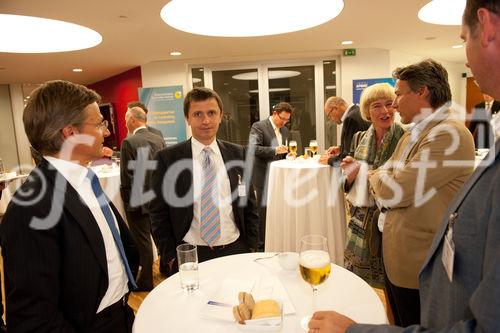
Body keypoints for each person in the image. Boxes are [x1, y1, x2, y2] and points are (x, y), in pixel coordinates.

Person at [308, 4, 500, 327]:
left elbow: (395, 188)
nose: (394, 106)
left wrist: (373, 174)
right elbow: (386, 175)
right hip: (398, 265)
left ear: (422, 92)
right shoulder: (414, 135)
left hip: (418, 266)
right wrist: (379, 175)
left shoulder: (449, 135)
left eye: (398, 95)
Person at [0, 80, 139, 332]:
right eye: (99, 124)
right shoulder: (31, 207)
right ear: (71, 133)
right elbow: (35, 318)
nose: (106, 132)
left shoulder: (86, 179)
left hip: (120, 314)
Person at [149, 87, 259, 276]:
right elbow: (158, 212)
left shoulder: (239, 154)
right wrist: (169, 254)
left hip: (235, 249)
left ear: (220, 115)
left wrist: (251, 245)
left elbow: (250, 205)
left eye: (211, 113)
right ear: (187, 118)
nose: (206, 120)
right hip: (190, 253)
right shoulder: (167, 159)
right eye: (198, 114)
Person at [340, 83, 405, 289]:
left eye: (389, 104)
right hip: (360, 222)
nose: (385, 111)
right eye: (377, 106)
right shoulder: (359, 138)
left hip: (391, 221)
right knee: (358, 284)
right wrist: (350, 174)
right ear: (368, 111)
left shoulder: (405, 138)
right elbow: (348, 183)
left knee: (392, 284)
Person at [120, 106, 166, 291]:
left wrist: (128, 201)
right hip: (158, 197)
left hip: (138, 200)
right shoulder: (158, 138)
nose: (125, 123)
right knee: (159, 236)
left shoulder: (129, 142)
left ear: (132, 119)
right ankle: (166, 268)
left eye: (125, 119)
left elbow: (127, 177)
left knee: (143, 241)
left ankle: (146, 280)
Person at [248, 102, 291, 249]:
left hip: (280, 177)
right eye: (282, 119)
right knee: (264, 210)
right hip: (263, 175)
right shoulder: (258, 126)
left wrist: (288, 154)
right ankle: (262, 244)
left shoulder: (285, 130)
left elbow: (284, 151)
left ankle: (277, 238)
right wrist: (275, 150)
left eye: (287, 120)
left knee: (279, 208)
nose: (284, 123)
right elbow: (253, 148)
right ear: (275, 114)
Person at [319, 97, 370, 165]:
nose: (331, 119)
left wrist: (329, 160)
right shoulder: (357, 111)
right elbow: (357, 144)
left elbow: (348, 156)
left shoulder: (351, 119)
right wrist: (341, 148)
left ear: (335, 108)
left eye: (329, 115)